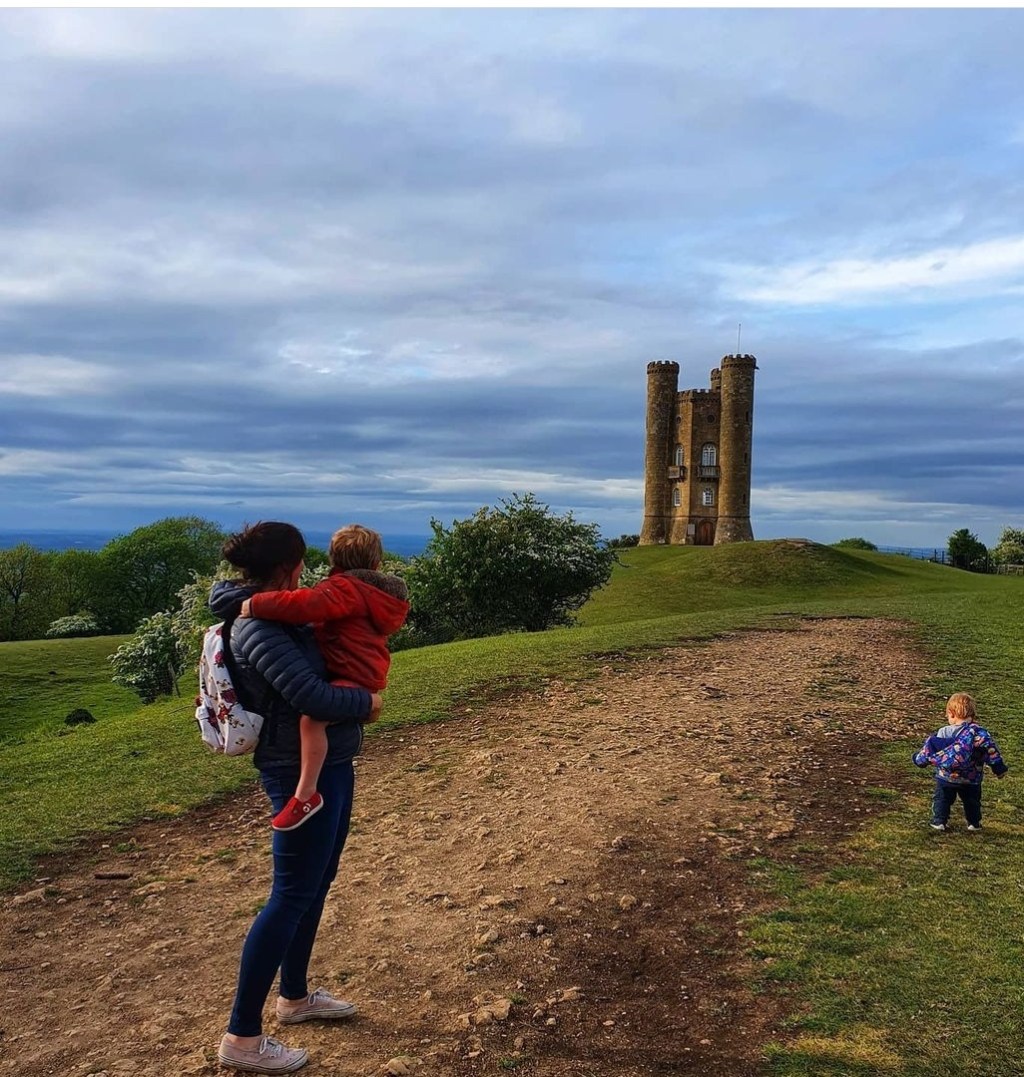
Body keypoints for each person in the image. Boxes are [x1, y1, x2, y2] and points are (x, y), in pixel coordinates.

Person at [211, 521, 382, 1075]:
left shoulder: (281, 613)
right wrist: (367, 703)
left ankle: (296, 998)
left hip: (330, 761)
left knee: (314, 885)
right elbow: (307, 693)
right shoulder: (257, 626)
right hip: (293, 769)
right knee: (290, 895)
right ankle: (241, 1037)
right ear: (289, 568)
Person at [239, 524, 409, 832]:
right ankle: (308, 791)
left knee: (312, 720)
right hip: (363, 669)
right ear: (376, 563)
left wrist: (255, 604)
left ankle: (306, 793)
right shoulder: (373, 591)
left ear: (335, 560)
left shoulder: (347, 588)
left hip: (353, 671)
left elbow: (306, 605)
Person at [913, 691, 1007, 832]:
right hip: (971, 778)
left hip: (946, 776)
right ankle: (974, 824)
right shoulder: (980, 733)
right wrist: (999, 769)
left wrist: (918, 760)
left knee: (942, 800)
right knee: (972, 802)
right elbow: (991, 752)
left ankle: (939, 821)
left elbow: (931, 751)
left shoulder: (943, 732)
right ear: (973, 715)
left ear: (951, 714)